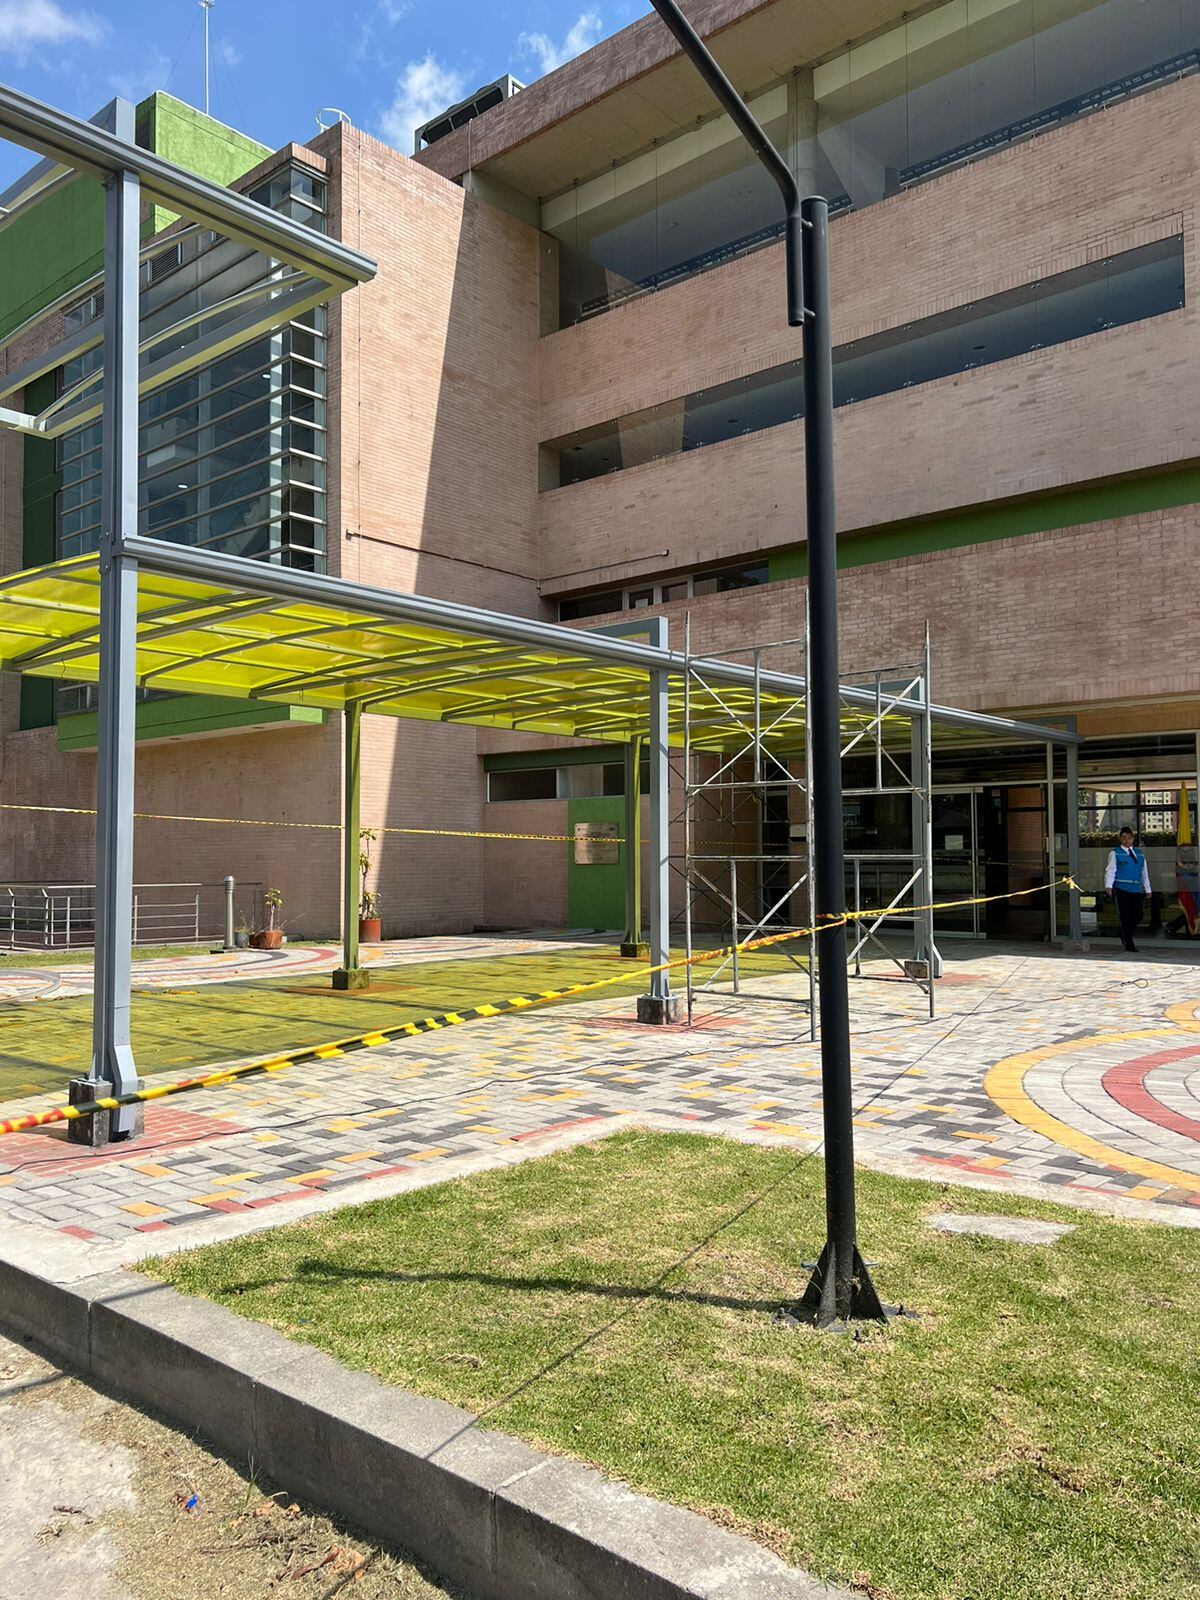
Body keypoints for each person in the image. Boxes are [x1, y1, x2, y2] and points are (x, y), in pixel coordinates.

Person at [1105, 827, 1151, 952]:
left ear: (1133, 839)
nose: (1126, 840)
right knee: (1125, 917)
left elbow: (1144, 873)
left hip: (1136, 889)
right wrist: (1108, 886)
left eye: (1129, 838)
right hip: (1121, 889)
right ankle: (1129, 943)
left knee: (1138, 915)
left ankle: (1123, 933)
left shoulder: (1139, 854)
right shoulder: (1115, 853)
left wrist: (1148, 889)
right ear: (1120, 838)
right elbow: (1110, 871)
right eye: (1124, 838)